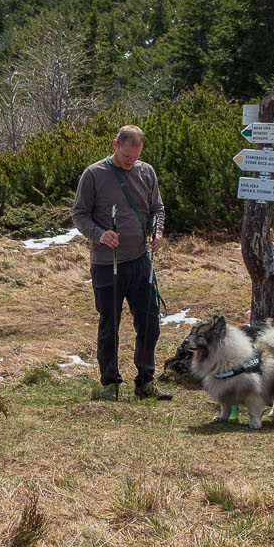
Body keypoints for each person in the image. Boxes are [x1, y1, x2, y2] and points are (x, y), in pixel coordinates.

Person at [72, 125, 171, 401]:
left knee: (150, 323)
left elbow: (157, 209)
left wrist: (157, 231)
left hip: (140, 261)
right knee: (110, 324)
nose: (130, 162)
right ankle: (110, 384)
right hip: (107, 264)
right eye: (127, 156)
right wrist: (100, 234)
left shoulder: (146, 171)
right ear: (115, 144)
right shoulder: (93, 175)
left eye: (135, 157)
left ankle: (145, 383)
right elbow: (79, 215)